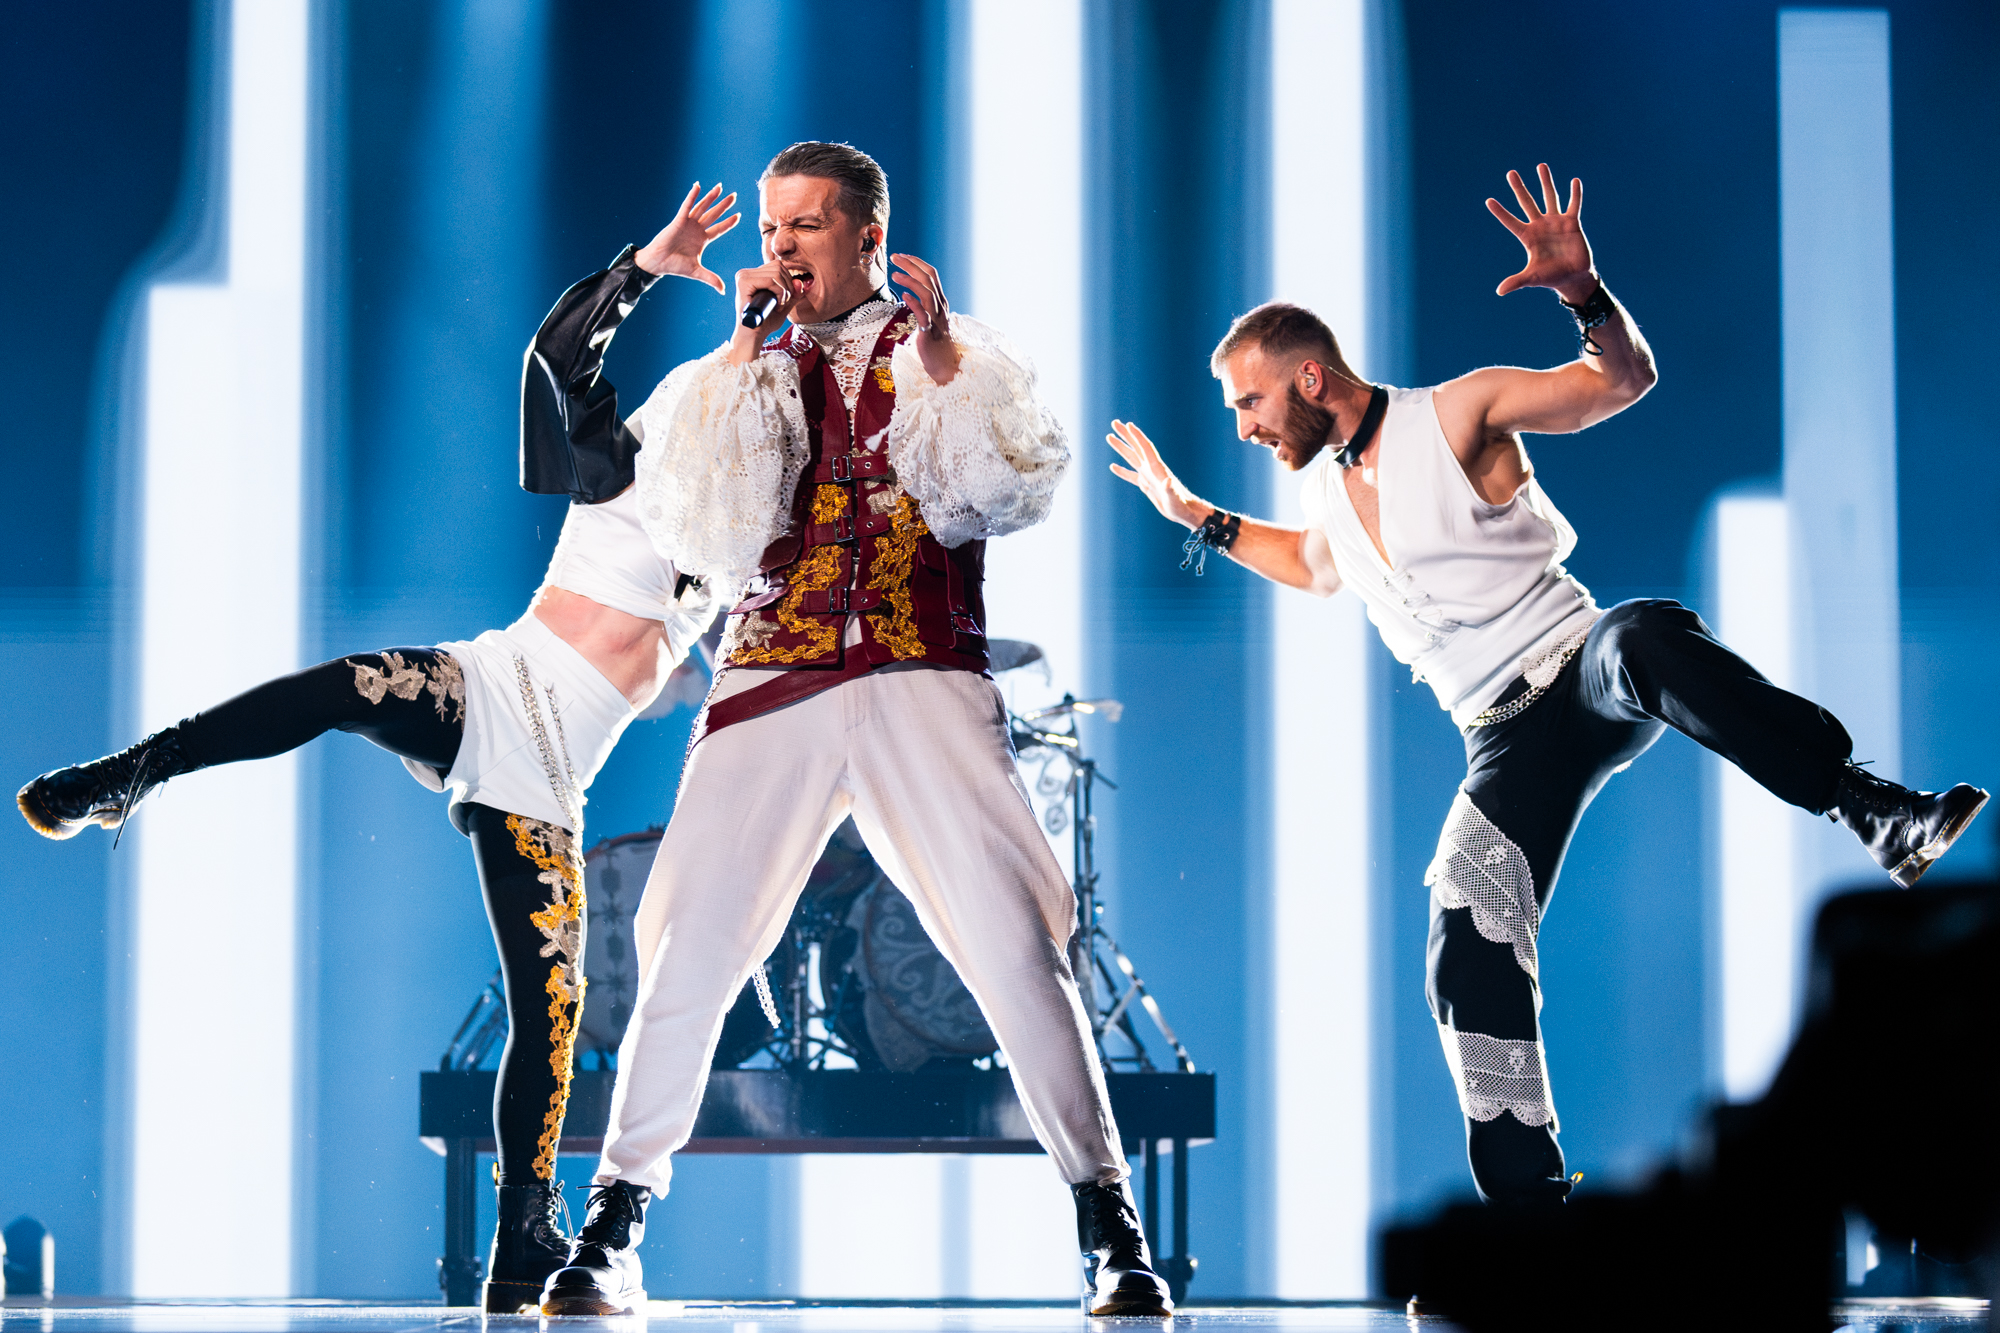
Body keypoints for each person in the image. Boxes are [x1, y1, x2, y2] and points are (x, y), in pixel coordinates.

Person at [1106, 163, 1989, 1207]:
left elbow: (1620, 383)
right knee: (1462, 941)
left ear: (1306, 379)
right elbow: (1308, 565)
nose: (1242, 427)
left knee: (1644, 634)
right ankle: (1529, 1212)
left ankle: (1874, 808)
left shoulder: (1458, 411)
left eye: (1247, 402)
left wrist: (1584, 293)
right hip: (1501, 737)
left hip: (1581, 669)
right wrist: (1196, 515)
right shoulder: (1331, 504)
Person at [16, 182, 740, 1312]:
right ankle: (127, 776)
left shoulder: (736, 550)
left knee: (549, 1010)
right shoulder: (623, 467)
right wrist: (646, 267)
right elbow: (558, 358)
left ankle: (523, 1241)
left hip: (553, 780)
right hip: (492, 685)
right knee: (343, 687)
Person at [537, 141, 1173, 1319]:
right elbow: (707, 529)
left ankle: (1107, 1221)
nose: (780, 247)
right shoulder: (734, 369)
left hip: (918, 674)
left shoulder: (953, 355)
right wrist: (743, 354)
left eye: (805, 226)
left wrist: (933, 362)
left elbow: (995, 495)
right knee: (692, 945)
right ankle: (615, 1219)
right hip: (770, 676)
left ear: (867, 236)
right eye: (770, 228)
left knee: (1011, 946)